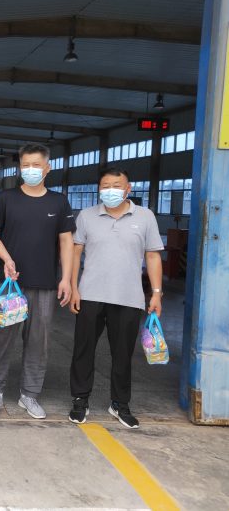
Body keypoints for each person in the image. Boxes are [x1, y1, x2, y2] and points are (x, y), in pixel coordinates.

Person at [0, 144, 75, 420]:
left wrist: (66, 279)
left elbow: (66, 241)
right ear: (19, 168)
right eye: (26, 165)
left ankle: (29, 394)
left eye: (36, 165)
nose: (31, 170)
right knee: (2, 338)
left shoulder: (58, 202)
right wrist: (6, 258)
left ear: (47, 168)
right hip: (8, 284)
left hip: (44, 283)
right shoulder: (6, 199)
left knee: (38, 341)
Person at [68, 167, 164, 429]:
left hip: (128, 297)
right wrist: (74, 288)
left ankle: (120, 403)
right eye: (105, 186)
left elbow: (153, 255)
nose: (111, 190)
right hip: (90, 295)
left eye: (117, 185)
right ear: (99, 189)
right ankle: (80, 399)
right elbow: (76, 252)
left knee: (122, 354)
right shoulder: (86, 216)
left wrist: (156, 293)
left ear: (128, 188)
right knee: (83, 350)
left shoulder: (145, 216)